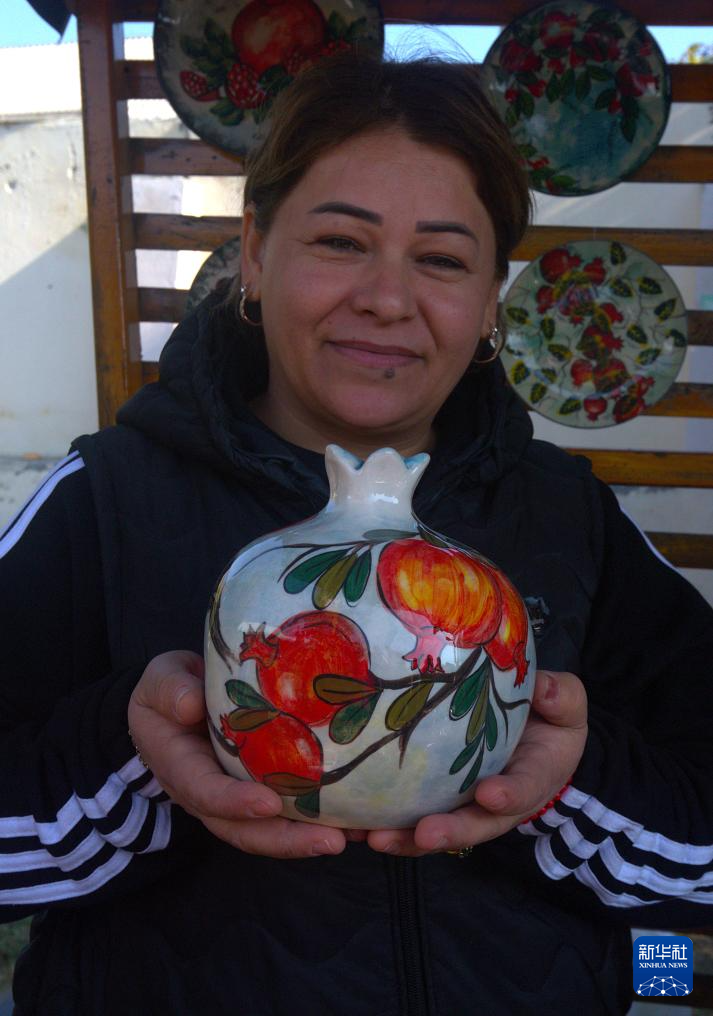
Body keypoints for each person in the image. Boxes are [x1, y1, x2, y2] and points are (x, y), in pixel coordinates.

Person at [1, 52, 712, 1016]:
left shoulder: (567, 512)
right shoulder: (109, 496)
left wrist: (560, 783)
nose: (386, 298)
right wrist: (141, 766)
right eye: (341, 241)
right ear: (256, 253)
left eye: (442, 259)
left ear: (489, 300)